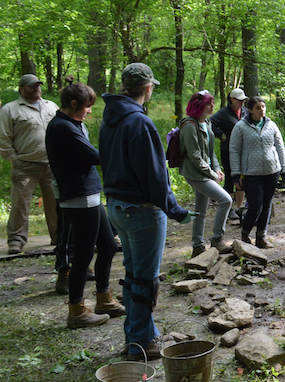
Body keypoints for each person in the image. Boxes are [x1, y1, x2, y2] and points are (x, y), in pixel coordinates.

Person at [99, 63, 193, 359]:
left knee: (133, 274)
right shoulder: (139, 123)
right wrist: (176, 210)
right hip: (139, 210)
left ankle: (139, 334)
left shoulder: (110, 118)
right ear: (148, 89)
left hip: (116, 205)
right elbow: (154, 177)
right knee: (143, 279)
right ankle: (141, 344)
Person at [45, 83, 124, 329]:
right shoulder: (62, 127)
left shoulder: (71, 124)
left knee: (109, 245)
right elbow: (94, 157)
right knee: (84, 253)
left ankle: (103, 298)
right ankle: (77, 310)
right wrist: (121, 147)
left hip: (88, 195)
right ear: (73, 105)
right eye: (87, 106)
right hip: (77, 197)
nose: (90, 111)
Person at [0, 74, 59, 254]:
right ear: (21, 89)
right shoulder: (10, 110)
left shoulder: (51, 106)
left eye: (38, 85)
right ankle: (16, 240)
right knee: (20, 204)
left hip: (50, 165)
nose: (36, 89)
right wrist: (14, 159)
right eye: (32, 86)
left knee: (54, 202)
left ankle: (58, 236)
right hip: (24, 166)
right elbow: (2, 138)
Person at [230, 96, 285, 249]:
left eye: (263, 107)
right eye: (257, 107)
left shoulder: (271, 125)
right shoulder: (241, 127)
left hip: (271, 171)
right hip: (251, 173)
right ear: (249, 110)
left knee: (267, 204)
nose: (261, 110)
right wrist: (236, 174)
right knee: (255, 205)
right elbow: (234, 150)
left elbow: (280, 147)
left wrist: (284, 171)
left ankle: (261, 237)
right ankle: (245, 234)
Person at [179, 91, 233, 257]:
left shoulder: (207, 123)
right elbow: (194, 156)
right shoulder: (189, 126)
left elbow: (211, 152)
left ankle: (197, 246)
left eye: (213, 103)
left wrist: (216, 168)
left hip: (205, 172)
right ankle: (217, 239)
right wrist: (212, 174)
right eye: (209, 103)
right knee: (226, 200)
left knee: (201, 211)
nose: (213, 106)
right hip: (195, 174)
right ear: (199, 105)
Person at [210, 89, 249, 221]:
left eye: (243, 100)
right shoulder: (223, 113)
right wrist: (220, 134)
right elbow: (210, 124)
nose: (242, 103)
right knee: (230, 179)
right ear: (232, 100)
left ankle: (239, 209)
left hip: (243, 150)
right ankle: (227, 208)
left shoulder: (244, 112)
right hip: (228, 150)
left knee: (241, 178)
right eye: (239, 101)